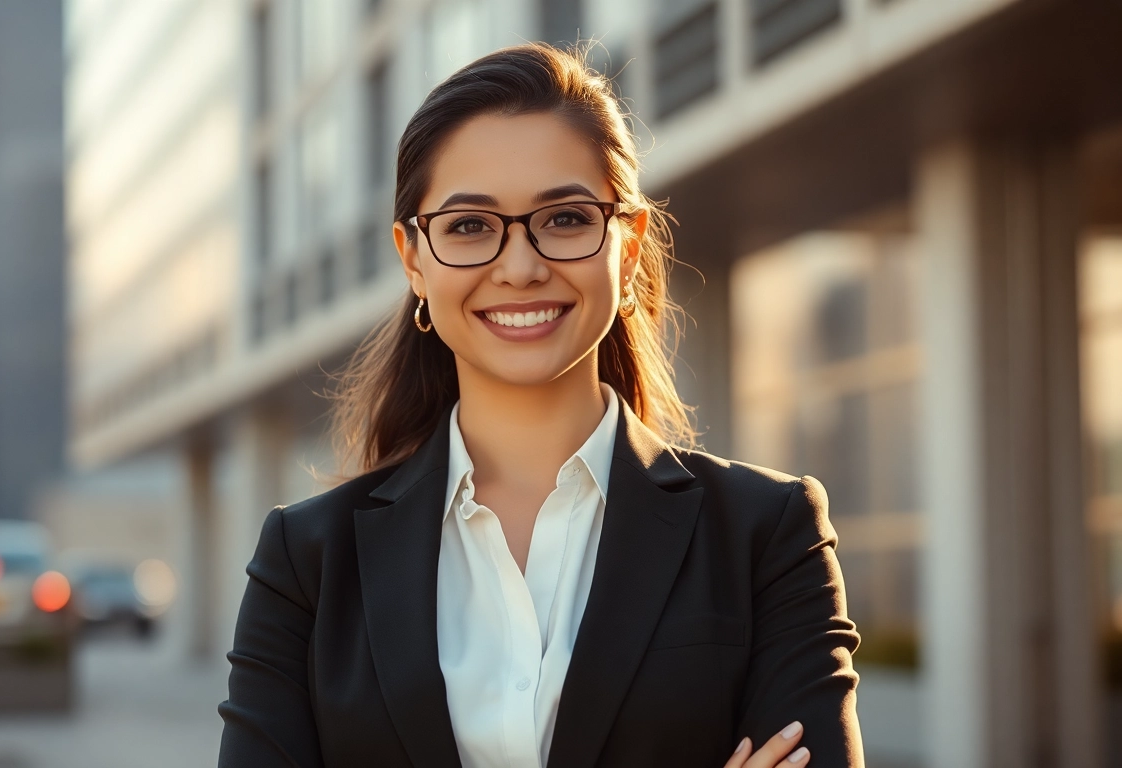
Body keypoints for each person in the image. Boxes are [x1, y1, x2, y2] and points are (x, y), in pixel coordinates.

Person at [218, 42, 863, 768]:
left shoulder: (766, 536)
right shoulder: (306, 564)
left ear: (626, 246)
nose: (521, 267)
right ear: (413, 260)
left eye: (564, 219)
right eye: (468, 227)